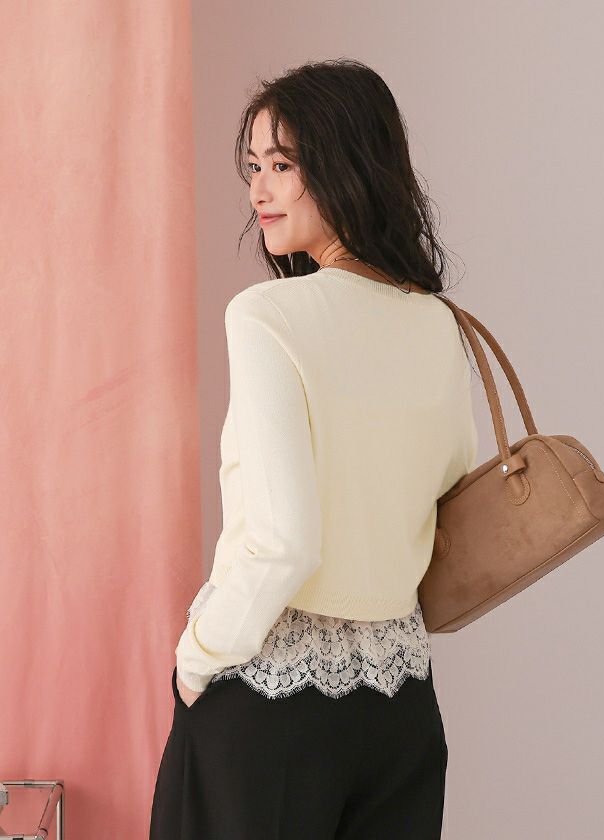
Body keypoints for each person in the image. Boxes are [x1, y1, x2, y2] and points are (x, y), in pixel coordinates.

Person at [149, 58, 479, 840]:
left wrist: (197, 657)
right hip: (401, 708)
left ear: (345, 164)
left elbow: (281, 543)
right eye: (254, 167)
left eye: (283, 165)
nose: (258, 190)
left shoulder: (268, 315)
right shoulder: (436, 321)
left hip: (268, 707)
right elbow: (450, 485)